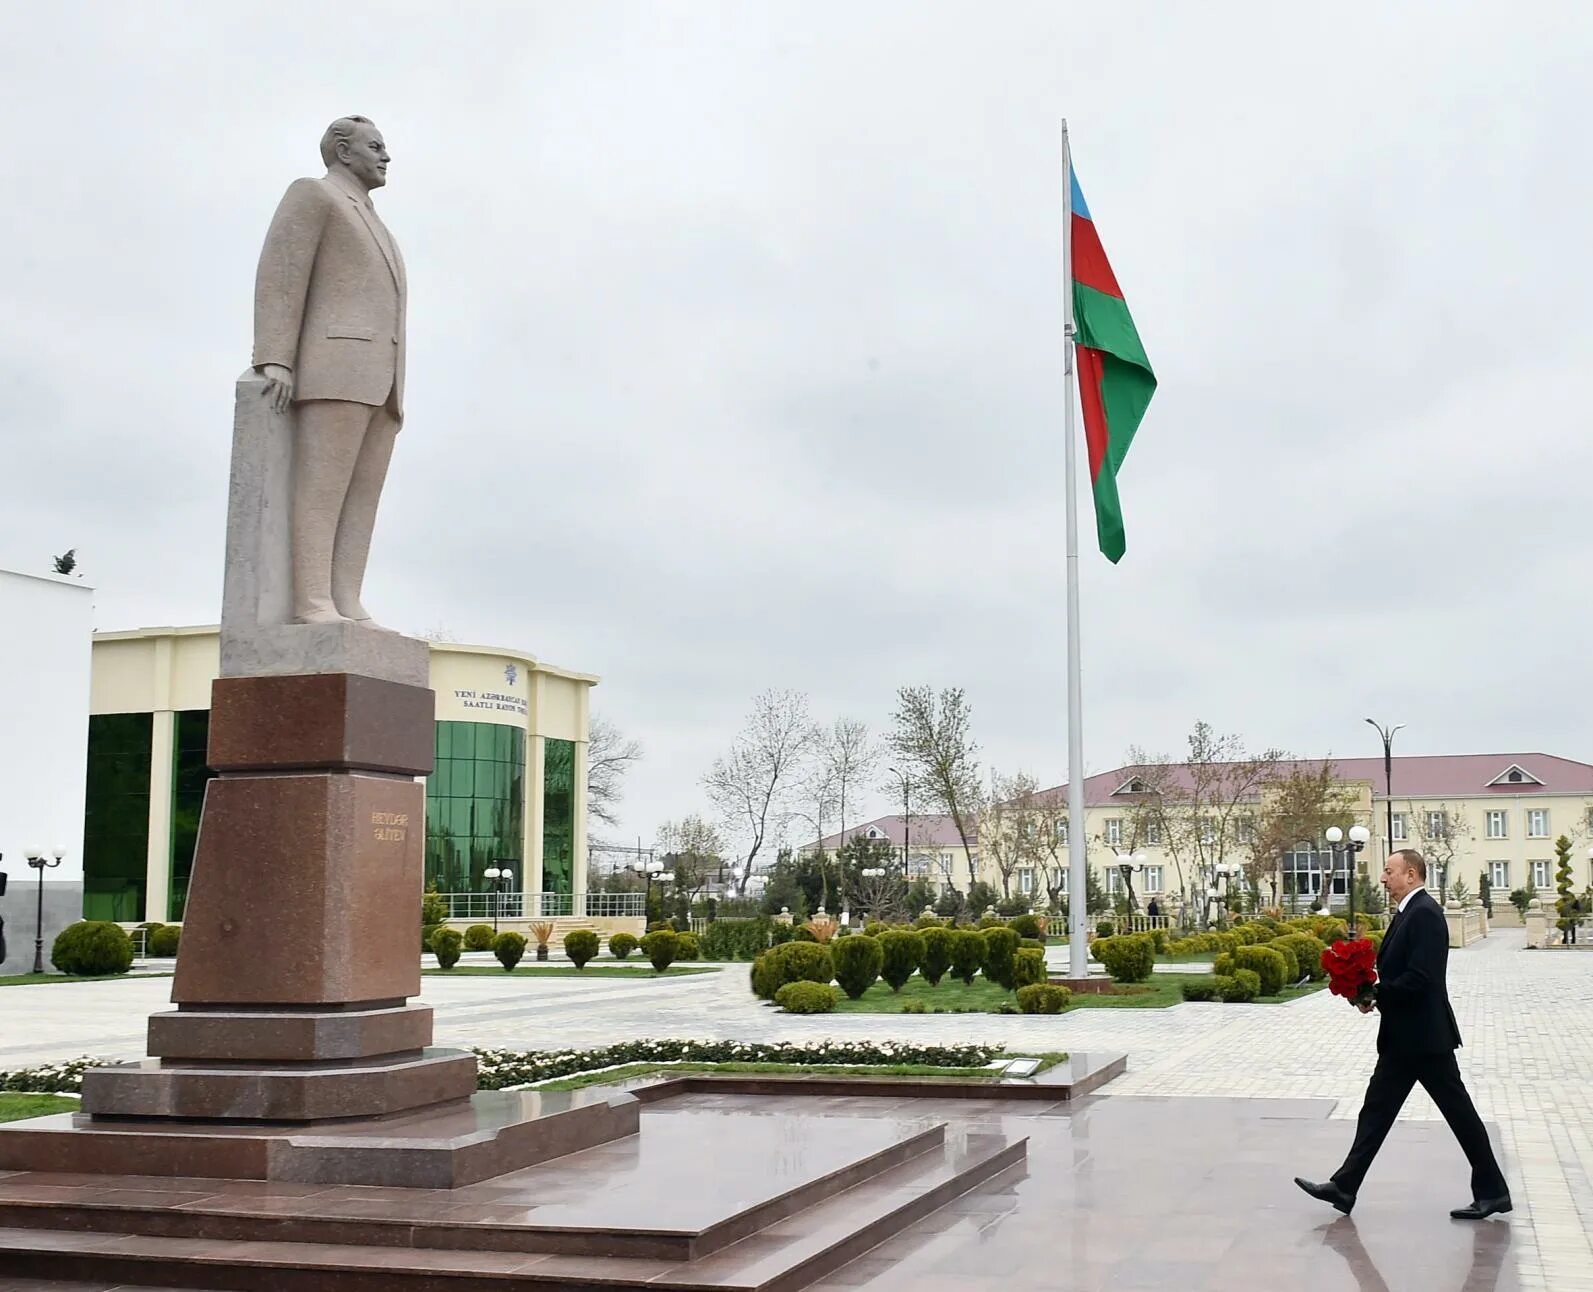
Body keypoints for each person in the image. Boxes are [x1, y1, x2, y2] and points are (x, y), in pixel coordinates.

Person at [1296, 849, 1510, 1220]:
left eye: (1389, 871)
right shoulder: (1409, 913)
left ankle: (1493, 1192)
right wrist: (1366, 991)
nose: (1383, 878)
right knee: (1376, 1111)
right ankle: (1345, 1187)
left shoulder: (1425, 914)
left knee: (1459, 1113)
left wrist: (1377, 993)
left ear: (1411, 874)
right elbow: (1401, 975)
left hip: (1424, 1039)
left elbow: (1421, 978)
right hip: (1405, 1037)